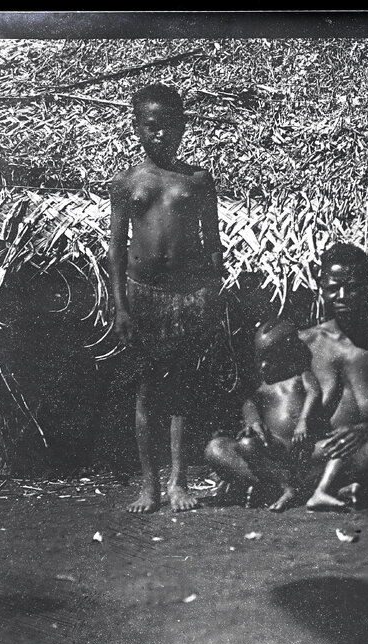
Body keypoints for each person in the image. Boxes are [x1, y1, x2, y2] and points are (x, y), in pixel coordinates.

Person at [108, 84, 224, 513]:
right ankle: (149, 484)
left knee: (181, 388)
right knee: (146, 391)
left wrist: (209, 292)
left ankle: (179, 481)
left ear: (183, 127)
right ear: (137, 128)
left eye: (169, 127)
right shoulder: (127, 183)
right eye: (152, 127)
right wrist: (120, 306)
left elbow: (213, 245)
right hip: (142, 296)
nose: (161, 136)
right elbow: (117, 249)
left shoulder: (197, 181)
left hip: (186, 296)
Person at [297, 243, 368, 510]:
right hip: (321, 450)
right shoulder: (306, 342)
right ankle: (341, 486)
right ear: (321, 288)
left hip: (367, 445)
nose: (343, 296)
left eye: (353, 286)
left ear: (367, 287)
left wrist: (364, 429)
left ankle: (324, 487)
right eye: (333, 288)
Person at [203, 318, 324, 512]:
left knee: (330, 450)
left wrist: (303, 421)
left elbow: (314, 392)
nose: (264, 366)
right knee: (217, 448)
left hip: (301, 449)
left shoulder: (301, 376)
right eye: (260, 359)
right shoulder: (262, 387)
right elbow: (249, 403)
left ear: (288, 355)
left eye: (271, 358)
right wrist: (254, 421)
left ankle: (272, 488)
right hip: (271, 452)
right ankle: (282, 487)